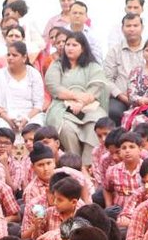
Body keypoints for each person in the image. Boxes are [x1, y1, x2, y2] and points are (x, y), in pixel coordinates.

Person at [43, 31, 109, 165]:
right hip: (62, 107)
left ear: (83, 48)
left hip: (89, 107)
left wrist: (81, 104)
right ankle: (74, 163)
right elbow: (53, 86)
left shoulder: (93, 66)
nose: (70, 48)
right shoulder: (57, 65)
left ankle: (87, 165)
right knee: (65, 128)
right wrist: (75, 96)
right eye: (68, 44)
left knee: (95, 126)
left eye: (74, 45)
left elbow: (96, 88)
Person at [0, 43, 46, 134]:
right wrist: (8, 119)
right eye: (8, 55)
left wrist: (26, 119)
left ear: (24, 58)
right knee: (0, 129)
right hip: (5, 117)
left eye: (14, 55)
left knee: (35, 130)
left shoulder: (34, 74)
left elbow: (38, 105)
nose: (10, 58)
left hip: (31, 116)